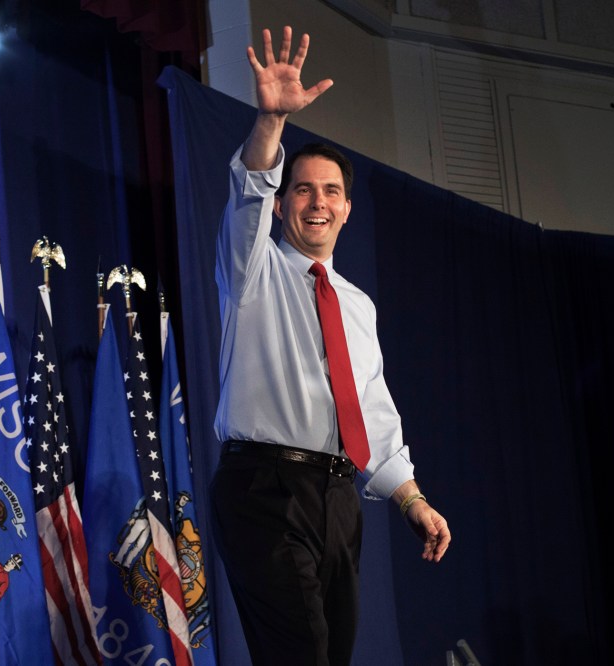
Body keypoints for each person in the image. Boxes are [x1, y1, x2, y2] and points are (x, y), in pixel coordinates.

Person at [208, 26, 451, 666]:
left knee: (330, 655)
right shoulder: (250, 268)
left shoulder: (356, 304)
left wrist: (413, 500)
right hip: (263, 487)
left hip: (338, 498)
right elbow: (247, 190)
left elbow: (369, 408)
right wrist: (270, 120)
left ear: (346, 209)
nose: (318, 202)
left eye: (332, 192)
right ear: (284, 203)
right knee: (303, 654)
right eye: (303, 189)